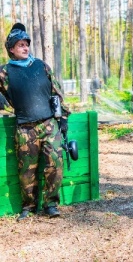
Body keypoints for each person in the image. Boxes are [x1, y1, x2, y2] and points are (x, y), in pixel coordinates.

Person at [0, 23, 71, 221]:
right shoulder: (4, 72)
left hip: (49, 124)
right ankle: (28, 207)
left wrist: (63, 117)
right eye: (20, 45)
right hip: (25, 128)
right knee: (26, 171)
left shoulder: (41, 65)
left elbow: (56, 91)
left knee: (54, 165)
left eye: (26, 44)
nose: (25, 48)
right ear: (11, 49)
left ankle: (50, 205)